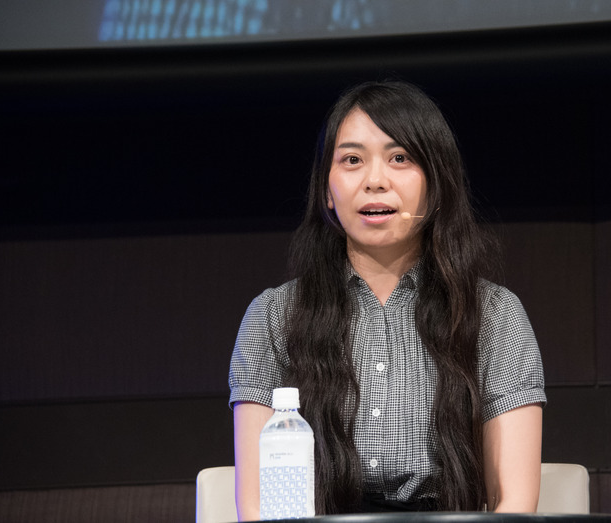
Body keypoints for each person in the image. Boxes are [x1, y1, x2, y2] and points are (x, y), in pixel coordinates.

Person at [229, 80, 546, 519]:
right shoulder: (273, 316)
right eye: (352, 160)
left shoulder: (494, 315)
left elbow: (515, 504)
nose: (375, 181)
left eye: (400, 158)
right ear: (327, 191)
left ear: (436, 183)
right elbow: (257, 507)